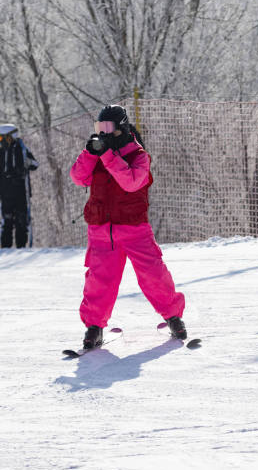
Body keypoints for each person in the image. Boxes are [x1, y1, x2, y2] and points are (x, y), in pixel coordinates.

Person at [69, 104, 187, 349]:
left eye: (108, 127)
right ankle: (94, 328)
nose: (102, 132)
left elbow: (131, 182)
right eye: (99, 127)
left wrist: (109, 156)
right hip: (102, 230)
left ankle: (174, 318)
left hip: (134, 228)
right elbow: (78, 177)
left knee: (154, 273)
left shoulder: (139, 156)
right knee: (99, 280)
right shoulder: (99, 155)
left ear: (121, 127)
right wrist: (90, 153)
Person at [0, 123, 39, 248]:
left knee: (21, 221)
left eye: (1, 138)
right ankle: (5, 248)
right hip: (6, 192)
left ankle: (21, 247)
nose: (0, 141)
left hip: (21, 191)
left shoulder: (22, 149)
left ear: (10, 137)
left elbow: (35, 164)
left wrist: (28, 162)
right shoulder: (0, 153)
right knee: (6, 221)